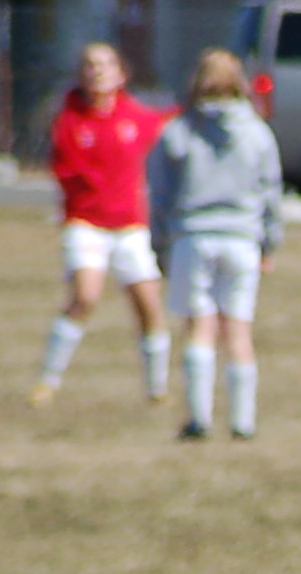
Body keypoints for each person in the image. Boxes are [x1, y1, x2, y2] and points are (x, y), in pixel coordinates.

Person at [148, 50, 281, 441]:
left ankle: (199, 418)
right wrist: (269, 243)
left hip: (193, 237)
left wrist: (160, 245)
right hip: (242, 239)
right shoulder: (257, 132)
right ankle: (243, 421)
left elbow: (159, 194)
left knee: (199, 327)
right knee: (238, 329)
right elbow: (270, 192)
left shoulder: (178, 130)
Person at [31, 43, 170, 410]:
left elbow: (168, 124)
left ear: (121, 73)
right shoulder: (70, 120)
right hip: (87, 224)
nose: (98, 71)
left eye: (106, 64)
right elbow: (67, 169)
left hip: (130, 227)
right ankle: (48, 381)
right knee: (85, 297)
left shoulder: (134, 117)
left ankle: (157, 390)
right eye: (90, 65)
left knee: (149, 305)